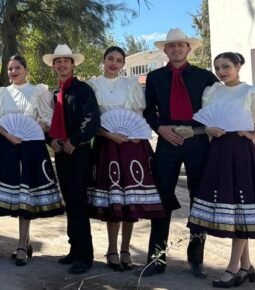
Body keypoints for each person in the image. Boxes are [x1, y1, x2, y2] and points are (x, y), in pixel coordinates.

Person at [186, 52, 255, 288]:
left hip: (242, 152)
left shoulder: (252, 91)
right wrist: (209, 129)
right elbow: (207, 121)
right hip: (219, 151)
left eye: (226, 66)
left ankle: (233, 268)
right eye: (217, 67)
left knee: (241, 208)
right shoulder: (213, 92)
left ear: (238, 66)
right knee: (233, 208)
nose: (221, 72)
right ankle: (246, 266)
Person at [142, 28, 219, 277]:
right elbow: (148, 110)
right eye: (171, 45)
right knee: (161, 197)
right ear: (165, 50)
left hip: (198, 141)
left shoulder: (205, 77)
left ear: (188, 48)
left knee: (199, 198)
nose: (176, 49)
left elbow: (221, 105)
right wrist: (159, 128)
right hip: (168, 141)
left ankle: (196, 258)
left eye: (180, 45)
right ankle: (156, 258)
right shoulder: (154, 77)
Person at [86, 46, 165, 271]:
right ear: (103, 60)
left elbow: (139, 116)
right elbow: (92, 119)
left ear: (123, 64)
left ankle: (125, 250)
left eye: (119, 60)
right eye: (110, 58)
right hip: (107, 145)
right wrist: (109, 134)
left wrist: (136, 133)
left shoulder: (131, 84)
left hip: (133, 146)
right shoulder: (93, 85)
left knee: (130, 201)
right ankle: (111, 249)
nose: (114, 63)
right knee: (114, 200)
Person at [0, 54, 66, 267]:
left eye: (17, 67)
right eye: (10, 69)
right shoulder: (1, 93)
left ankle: (21, 246)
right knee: (16, 196)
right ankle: (26, 241)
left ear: (26, 70)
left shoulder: (38, 91)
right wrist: (10, 136)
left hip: (31, 147)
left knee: (27, 196)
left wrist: (36, 127)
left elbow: (48, 118)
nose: (13, 72)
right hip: (8, 147)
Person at [44, 44, 100, 274]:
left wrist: (75, 140)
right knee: (69, 201)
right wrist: (51, 140)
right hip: (61, 152)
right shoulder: (53, 93)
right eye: (58, 62)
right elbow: (46, 120)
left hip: (79, 152)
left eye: (65, 61)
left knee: (78, 201)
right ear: (53, 66)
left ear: (73, 64)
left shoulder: (83, 90)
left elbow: (91, 119)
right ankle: (74, 249)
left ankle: (85, 256)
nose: (61, 65)